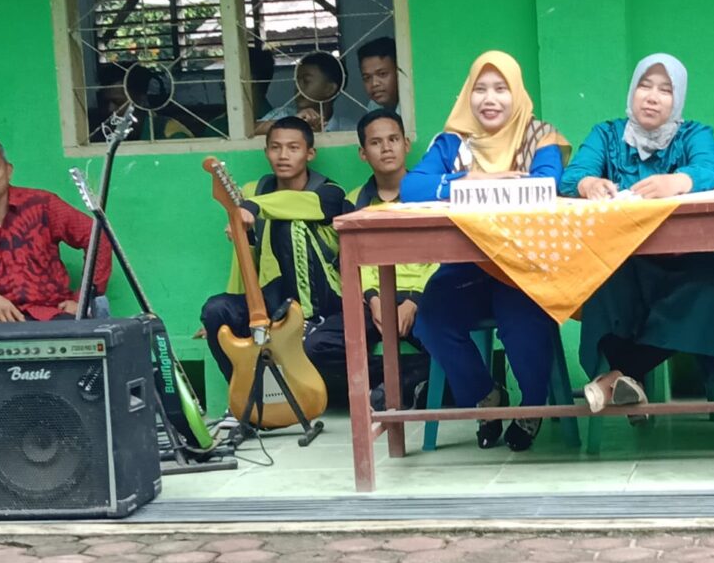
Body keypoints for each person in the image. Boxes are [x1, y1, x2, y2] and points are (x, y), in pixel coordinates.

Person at [401, 51, 569, 452]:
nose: (489, 99)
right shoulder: (452, 142)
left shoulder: (541, 138)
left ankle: (532, 406)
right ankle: (486, 396)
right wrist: (467, 180)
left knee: (523, 322)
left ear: (517, 94)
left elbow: (546, 185)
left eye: (501, 89)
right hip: (464, 266)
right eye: (480, 89)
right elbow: (411, 188)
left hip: (521, 266)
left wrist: (477, 186)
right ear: (467, 94)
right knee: (432, 317)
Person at [561, 53, 714, 421]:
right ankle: (626, 382)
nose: (652, 97)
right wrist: (588, 183)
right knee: (603, 283)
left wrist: (679, 181)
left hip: (689, 262)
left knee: (710, 289)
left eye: (665, 90)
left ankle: (619, 378)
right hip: (625, 258)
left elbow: (710, 168)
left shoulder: (694, 134)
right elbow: (571, 176)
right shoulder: (607, 135)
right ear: (632, 91)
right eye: (645, 85)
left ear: (678, 99)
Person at [200, 116, 350, 391]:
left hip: (323, 299)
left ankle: (306, 321)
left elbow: (300, 204)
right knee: (215, 310)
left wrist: (252, 207)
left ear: (310, 153)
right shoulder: (253, 191)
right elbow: (244, 257)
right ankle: (244, 396)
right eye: (275, 147)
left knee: (286, 225)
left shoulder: (329, 192)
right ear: (266, 151)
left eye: (293, 148)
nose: (283, 155)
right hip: (270, 298)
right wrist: (227, 319)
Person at [0, 132, 112, 333]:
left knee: (76, 330)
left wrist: (82, 299)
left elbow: (98, 237)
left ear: (8, 170)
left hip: (48, 312)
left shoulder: (43, 205)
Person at [346, 109, 435, 410]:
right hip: (375, 298)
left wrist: (414, 300)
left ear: (406, 144)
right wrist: (374, 299)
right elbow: (356, 260)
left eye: (393, 139)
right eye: (376, 142)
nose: (386, 148)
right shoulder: (354, 201)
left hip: (423, 296)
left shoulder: (429, 194)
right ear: (362, 153)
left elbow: (441, 256)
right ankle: (411, 383)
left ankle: (396, 387)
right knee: (321, 345)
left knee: (445, 336)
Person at [254, 51, 355, 135]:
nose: (298, 87)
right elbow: (250, 131)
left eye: (306, 81)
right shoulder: (281, 115)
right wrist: (293, 123)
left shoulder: (349, 129)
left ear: (330, 89)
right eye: (297, 81)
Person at [93, 61, 194, 141]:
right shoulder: (101, 134)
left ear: (141, 99)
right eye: (104, 103)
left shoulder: (170, 134)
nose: (110, 109)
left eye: (118, 102)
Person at [358, 36, 400, 112]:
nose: (374, 83)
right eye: (367, 78)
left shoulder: (415, 104)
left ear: (399, 73)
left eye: (382, 74)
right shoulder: (374, 107)